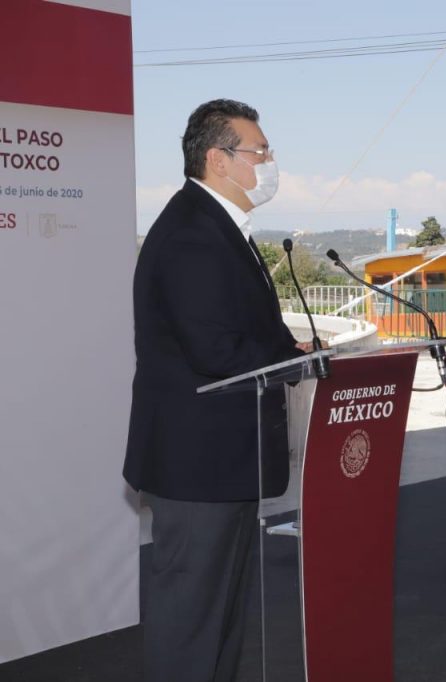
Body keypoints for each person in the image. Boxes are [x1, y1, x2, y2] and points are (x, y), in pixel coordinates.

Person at [124, 100, 311, 682]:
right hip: (197, 463)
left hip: (225, 459)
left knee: (221, 615)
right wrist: (294, 362)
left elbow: (239, 329)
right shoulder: (192, 233)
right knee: (191, 617)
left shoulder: (221, 227)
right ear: (218, 159)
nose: (270, 162)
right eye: (260, 151)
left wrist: (294, 351)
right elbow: (213, 350)